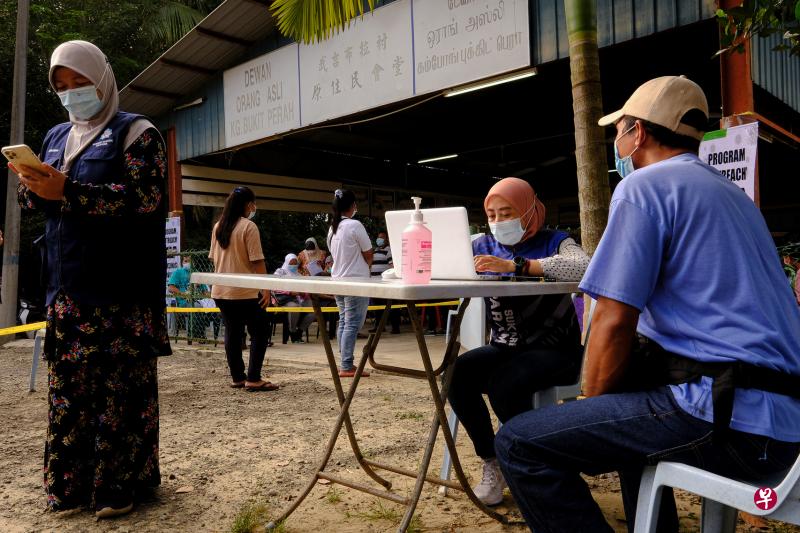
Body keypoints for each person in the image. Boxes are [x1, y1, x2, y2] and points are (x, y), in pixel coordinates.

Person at [495, 76, 800, 532]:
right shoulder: (733, 197)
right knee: (631, 398)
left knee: (520, 444)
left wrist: (586, 408)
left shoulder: (645, 188)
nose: (615, 141)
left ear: (637, 132)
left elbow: (614, 320)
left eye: (618, 129)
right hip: (783, 426)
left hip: (729, 419)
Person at [11, 40, 171, 518]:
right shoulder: (58, 135)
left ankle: (120, 487)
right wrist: (34, 186)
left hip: (121, 292)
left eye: (79, 82)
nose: (71, 93)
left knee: (120, 392)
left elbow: (143, 202)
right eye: (61, 86)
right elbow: (41, 206)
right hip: (68, 289)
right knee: (69, 393)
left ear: (100, 78)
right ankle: (70, 486)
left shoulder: (138, 133)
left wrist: (70, 191)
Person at [447, 177, 589, 506]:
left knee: (505, 384)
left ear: (528, 210)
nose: (498, 221)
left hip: (558, 351)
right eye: (492, 214)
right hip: (505, 347)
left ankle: (535, 462)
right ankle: (494, 461)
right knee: (457, 373)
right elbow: (442, 262)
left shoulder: (555, 241)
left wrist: (520, 265)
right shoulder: (479, 244)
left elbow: (584, 266)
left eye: (507, 212)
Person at [209, 186, 278, 392]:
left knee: (233, 332)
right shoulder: (249, 227)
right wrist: (266, 288)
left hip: (221, 290)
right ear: (248, 204)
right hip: (245, 291)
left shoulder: (218, 227)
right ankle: (254, 378)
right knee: (260, 331)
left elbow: (214, 259)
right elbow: (257, 261)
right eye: (252, 204)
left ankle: (238, 377)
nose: (253, 207)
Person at [327, 189, 373, 377]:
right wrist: (365, 266)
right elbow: (368, 252)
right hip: (356, 280)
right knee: (353, 323)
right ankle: (346, 365)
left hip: (338, 280)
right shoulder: (355, 225)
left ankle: (345, 362)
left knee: (344, 322)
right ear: (352, 206)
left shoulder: (333, 228)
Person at [273, 253, 316, 343]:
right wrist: (290, 292)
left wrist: (303, 293)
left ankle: (299, 331)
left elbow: (305, 289)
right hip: (285, 299)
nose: (293, 265)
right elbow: (274, 286)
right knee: (294, 308)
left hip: (299, 298)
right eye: (291, 263)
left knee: (314, 310)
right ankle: (292, 331)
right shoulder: (280, 272)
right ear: (287, 262)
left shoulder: (298, 275)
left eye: (295, 263)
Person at [369, 231, 401, 334]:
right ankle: (379, 326)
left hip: (386, 284)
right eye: (379, 237)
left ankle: (395, 327)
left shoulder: (389, 251)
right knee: (377, 307)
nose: (380, 239)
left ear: (387, 239)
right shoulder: (375, 251)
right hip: (375, 284)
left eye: (382, 237)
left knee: (391, 306)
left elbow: (392, 266)